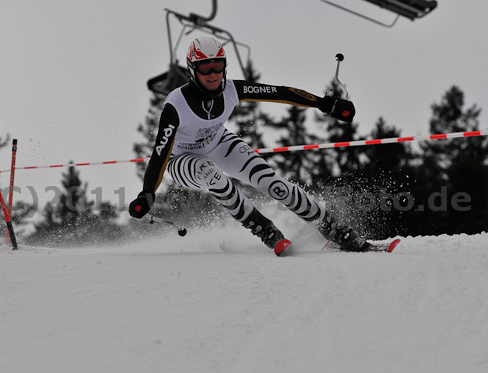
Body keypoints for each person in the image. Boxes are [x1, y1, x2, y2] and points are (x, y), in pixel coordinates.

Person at [129, 36, 371, 255]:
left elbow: (279, 93)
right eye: (205, 68)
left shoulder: (232, 89)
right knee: (211, 174)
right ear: (193, 70)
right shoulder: (176, 105)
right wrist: (148, 193)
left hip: (219, 142)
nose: (213, 74)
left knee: (274, 184)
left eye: (218, 66)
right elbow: (160, 154)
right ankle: (263, 227)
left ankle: (332, 228)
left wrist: (326, 104)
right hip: (181, 160)